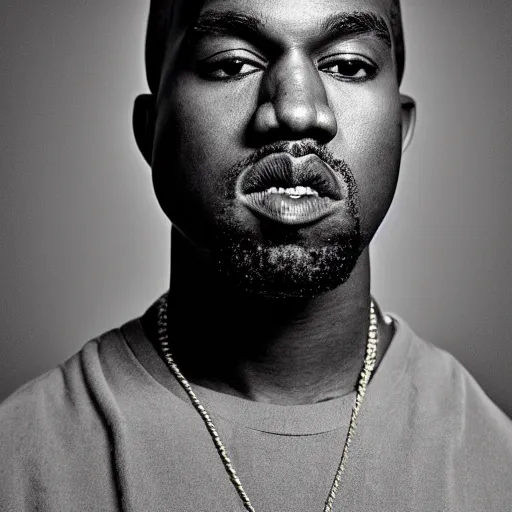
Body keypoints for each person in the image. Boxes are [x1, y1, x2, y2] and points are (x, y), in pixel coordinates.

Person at [1, 0, 511, 510]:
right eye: (232, 64)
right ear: (150, 129)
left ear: (400, 132)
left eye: (348, 65)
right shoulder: (20, 462)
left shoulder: (495, 466)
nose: (297, 112)